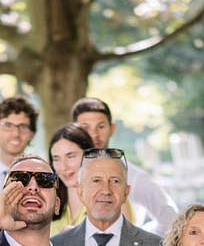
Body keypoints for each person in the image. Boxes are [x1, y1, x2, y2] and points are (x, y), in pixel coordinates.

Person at [74, 97, 178, 231]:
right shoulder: (66, 174)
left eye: (101, 126)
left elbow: (171, 219)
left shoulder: (134, 177)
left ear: (112, 128)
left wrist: (140, 242)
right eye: (85, 127)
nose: (94, 134)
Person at [0, 96, 39, 203]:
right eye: (8, 125)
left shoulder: (42, 178)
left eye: (23, 126)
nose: (16, 134)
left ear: (31, 134)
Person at [48, 123, 95, 231]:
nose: (63, 167)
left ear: (89, 155)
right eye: (56, 159)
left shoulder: (110, 201)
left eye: (71, 156)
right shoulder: (50, 206)